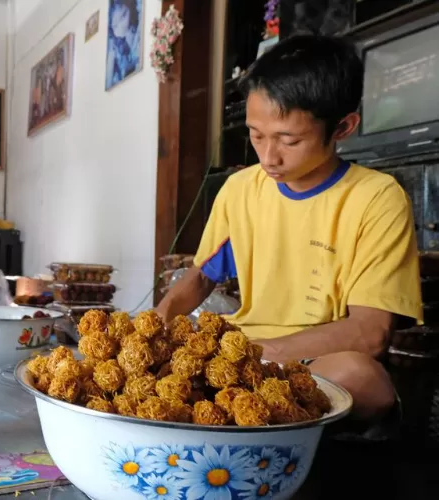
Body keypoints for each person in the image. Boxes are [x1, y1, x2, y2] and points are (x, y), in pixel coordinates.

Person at [156, 35, 422, 427]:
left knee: (363, 380)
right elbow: (201, 276)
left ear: (343, 127)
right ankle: (250, 412)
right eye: (256, 135)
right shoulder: (240, 189)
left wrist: (258, 355)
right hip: (239, 349)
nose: (268, 157)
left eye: (289, 140)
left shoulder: (377, 198)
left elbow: (370, 333)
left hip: (312, 361)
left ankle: (241, 410)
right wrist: (158, 319)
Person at [106, 0, 142, 89]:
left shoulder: (137, 33)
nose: (121, 26)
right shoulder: (115, 49)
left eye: (123, 15)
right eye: (115, 25)